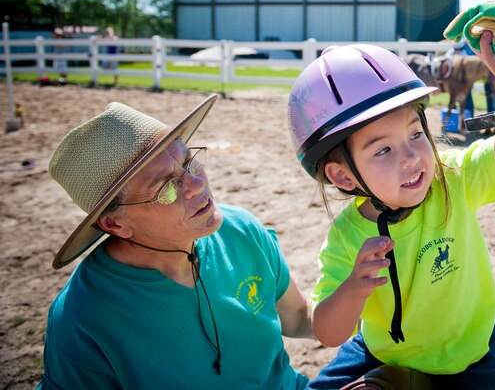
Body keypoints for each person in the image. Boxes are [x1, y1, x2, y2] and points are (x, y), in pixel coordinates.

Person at [287, 32, 495, 389]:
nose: (411, 158)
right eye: (383, 150)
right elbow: (328, 333)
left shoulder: (452, 178)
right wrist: (354, 288)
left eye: (415, 134)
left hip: (476, 349)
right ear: (343, 175)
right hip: (383, 351)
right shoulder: (347, 236)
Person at [39, 94, 313, 389]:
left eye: (189, 162)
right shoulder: (83, 318)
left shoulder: (240, 230)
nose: (197, 184)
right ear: (115, 223)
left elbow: (297, 317)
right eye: (166, 187)